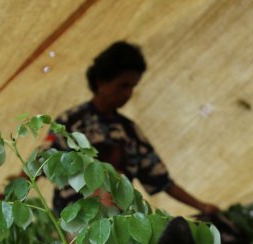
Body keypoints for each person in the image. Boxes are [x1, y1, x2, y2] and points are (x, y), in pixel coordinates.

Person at [46, 40, 220, 215]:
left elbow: (161, 180)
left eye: (133, 87)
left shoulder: (130, 132)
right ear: (101, 82)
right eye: (123, 86)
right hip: (72, 222)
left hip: (118, 226)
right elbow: (41, 160)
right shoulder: (70, 122)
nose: (128, 94)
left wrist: (202, 206)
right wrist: (19, 183)